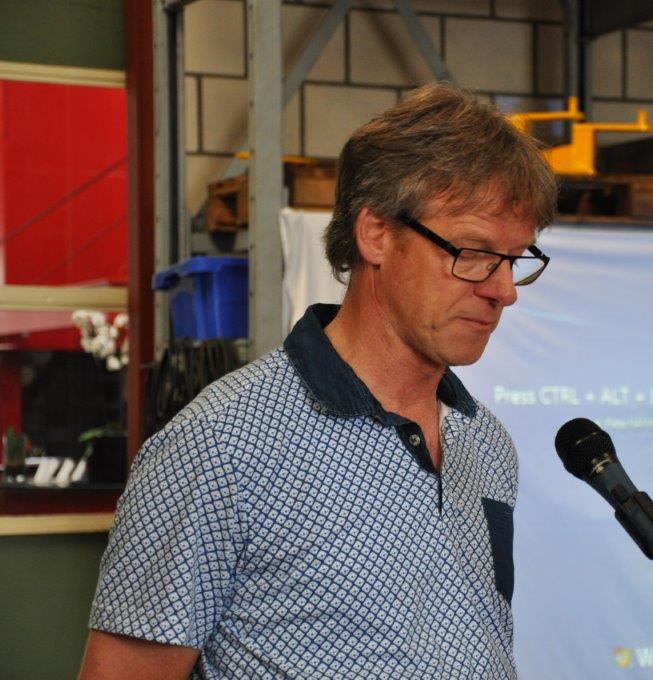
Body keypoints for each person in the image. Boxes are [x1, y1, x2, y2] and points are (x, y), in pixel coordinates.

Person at [78, 82, 557, 679]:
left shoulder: (483, 441)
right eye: (474, 253)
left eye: (515, 259)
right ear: (376, 234)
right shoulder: (218, 446)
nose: (504, 291)